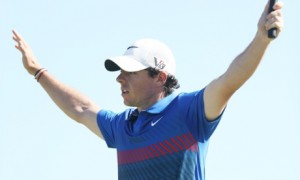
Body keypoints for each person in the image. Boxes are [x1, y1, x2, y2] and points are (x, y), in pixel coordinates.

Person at [12, 1, 283, 179]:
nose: (120, 79)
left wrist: (261, 39)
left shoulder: (190, 113)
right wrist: (37, 70)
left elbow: (230, 79)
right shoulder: (122, 126)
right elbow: (80, 108)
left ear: (160, 77)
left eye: (130, 72)